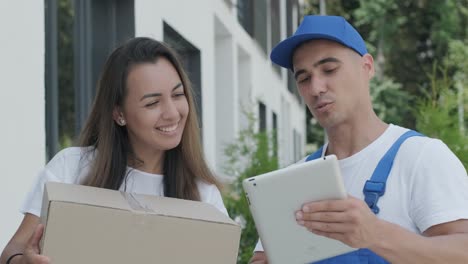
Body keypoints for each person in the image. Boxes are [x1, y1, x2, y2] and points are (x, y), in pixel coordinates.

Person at [250, 15, 468, 264]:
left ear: (367, 67)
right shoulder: (292, 180)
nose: (316, 88)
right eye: (303, 78)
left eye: (329, 69)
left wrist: (375, 234)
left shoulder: (421, 157)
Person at [0, 37, 228, 264]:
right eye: (152, 103)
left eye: (178, 95)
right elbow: (13, 251)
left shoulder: (204, 194)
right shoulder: (70, 168)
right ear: (119, 113)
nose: (172, 113)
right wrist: (22, 262)